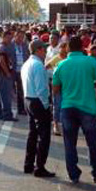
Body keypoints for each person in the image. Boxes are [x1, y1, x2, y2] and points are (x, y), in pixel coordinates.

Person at [53, 36, 96, 184]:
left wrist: (67, 88)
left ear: (68, 48)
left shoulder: (61, 64)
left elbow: (55, 88)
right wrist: (90, 85)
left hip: (68, 107)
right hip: (87, 107)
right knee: (93, 143)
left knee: (69, 143)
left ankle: (73, 174)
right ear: (82, 47)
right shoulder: (91, 62)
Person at [21, 40, 55, 178]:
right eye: (43, 49)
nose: (45, 52)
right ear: (38, 50)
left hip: (28, 99)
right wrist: (47, 106)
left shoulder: (27, 63)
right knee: (44, 136)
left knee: (33, 134)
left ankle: (29, 164)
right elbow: (42, 89)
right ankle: (39, 167)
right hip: (37, 101)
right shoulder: (38, 65)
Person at [46, 43, 69, 135]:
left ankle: (65, 125)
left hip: (68, 86)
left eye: (65, 48)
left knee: (67, 106)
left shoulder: (69, 58)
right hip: (57, 85)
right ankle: (55, 125)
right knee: (57, 105)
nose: (63, 50)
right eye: (62, 48)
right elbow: (46, 66)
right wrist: (52, 74)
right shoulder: (56, 58)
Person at [0, 30, 18, 121]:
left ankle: (1, 114)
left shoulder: (4, 46)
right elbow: (1, 60)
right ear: (4, 37)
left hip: (3, 73)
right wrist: (7, 73)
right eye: (8, 38)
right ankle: (7, 115)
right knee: (6, 95)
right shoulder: (2, 47)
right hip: (4, 74)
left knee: (1, 94)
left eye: (11, 38)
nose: (10, 40)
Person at [13, 30, 30, 115]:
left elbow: (27, 56)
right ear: (15, 36)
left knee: (21, 91)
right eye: (19, 37)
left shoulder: (25, 45)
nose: (20, 39)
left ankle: (21, 109)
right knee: (9, 91)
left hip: (21, 71)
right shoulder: (11, 45)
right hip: (12, 70)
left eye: (22, 37)